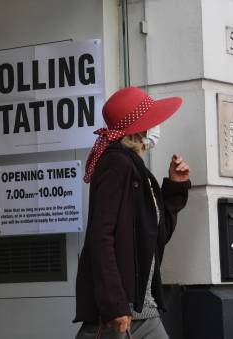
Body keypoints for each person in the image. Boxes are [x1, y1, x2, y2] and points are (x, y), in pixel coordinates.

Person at [74, 87, 191, 339]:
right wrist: (114, 305)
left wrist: (175, 187)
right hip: (119, 316)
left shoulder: (136, 169)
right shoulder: (116, 165)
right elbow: (100, 237)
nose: (156, 126)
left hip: (143, 312)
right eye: (152, 121)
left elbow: (153, 236)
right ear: (139, 130)